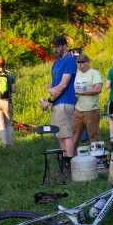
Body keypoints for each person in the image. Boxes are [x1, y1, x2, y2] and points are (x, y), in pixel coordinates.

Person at [42, 35, 77, 173]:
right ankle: (63, 162)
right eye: (54, 47)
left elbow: (62, 85)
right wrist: (48, 99)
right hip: (56, 101)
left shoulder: (69, 60)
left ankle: (69, 164)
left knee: (66, 134)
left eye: (58, 47)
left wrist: (49, 99)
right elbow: (53, 83)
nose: (55, 50)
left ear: (64, 46)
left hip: (65, 101)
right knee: (60, 134)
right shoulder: (56, 63)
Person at [71, 53, 103, 145]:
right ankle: (69, 157)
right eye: (78, 63)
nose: (80, 65)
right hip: (78, 110)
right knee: (73, 134)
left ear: (88, 62)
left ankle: (99, 158)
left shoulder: (94, 73)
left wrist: (82, 92)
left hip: (91, 110)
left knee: (94, 136)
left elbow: (98, 88)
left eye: (82, 63)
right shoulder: (76, 74)